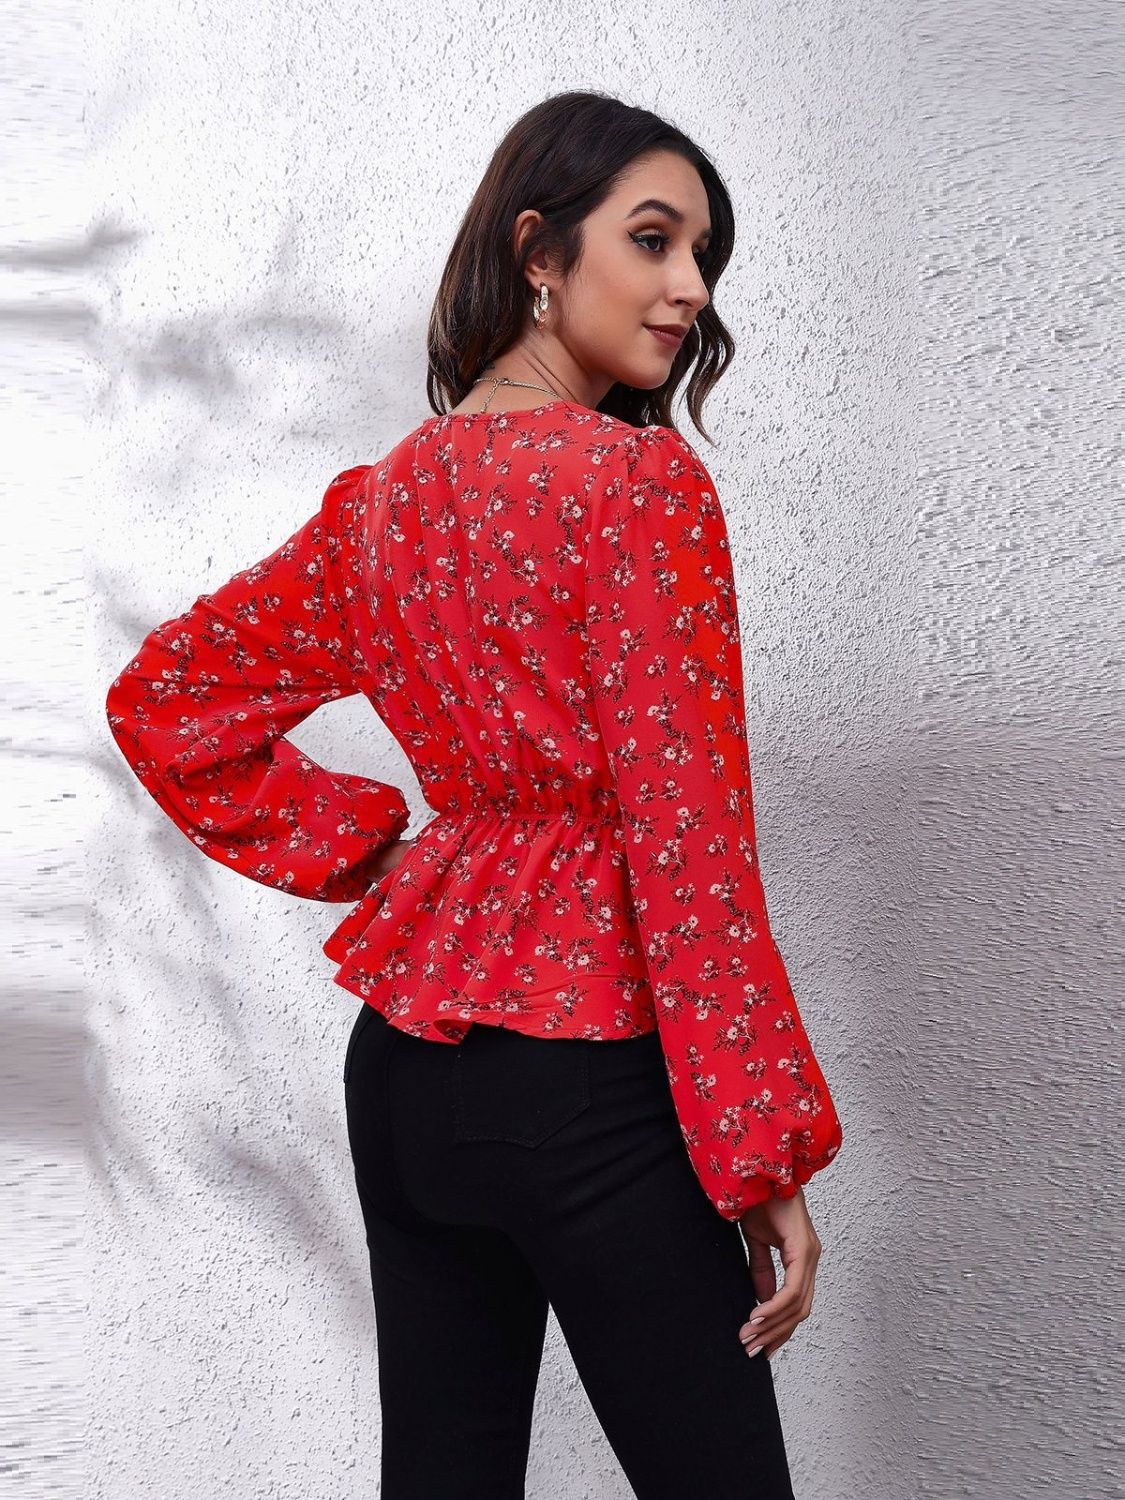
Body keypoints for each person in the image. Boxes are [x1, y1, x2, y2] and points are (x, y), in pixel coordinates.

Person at [105, 90, 844, 1500]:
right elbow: (686, 838)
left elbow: (168, 702)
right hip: (588, 1074)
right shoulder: (639, 488)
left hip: (406, 1076)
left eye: (704, 254)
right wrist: (760, 1150)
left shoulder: (379, 505)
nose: (691, 286)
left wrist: (395, 860)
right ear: (538, 251)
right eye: (653, 239)